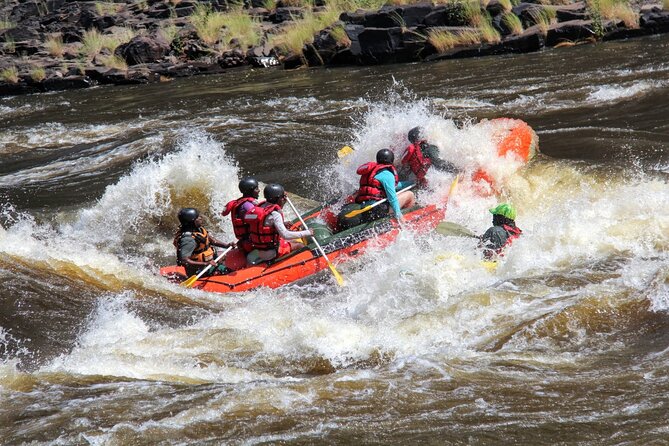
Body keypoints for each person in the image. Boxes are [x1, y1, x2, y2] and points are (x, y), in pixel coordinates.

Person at [244, 183, 314, 263]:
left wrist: (281, 224)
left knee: (294, 241)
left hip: (260, 248)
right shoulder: (275, 214)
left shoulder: (260, 208)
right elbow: (285, 235)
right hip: (270, 253)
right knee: (300, 245)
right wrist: (307, 232)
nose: (284, 200)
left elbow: (264, 223)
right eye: (283, 198)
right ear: (279, 199)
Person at [353, 148, 415, 223]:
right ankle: (407, 220)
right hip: (377, 210)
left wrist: (413, 182)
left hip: (365, 209)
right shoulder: (387, 174)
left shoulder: (369, 172)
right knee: (410, 194)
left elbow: (395, 186)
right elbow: (392, 198)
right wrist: (399, 215)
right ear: (391, 160)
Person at [174, 208, 235, 277]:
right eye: (198, 217)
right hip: (199, 270)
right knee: (227, 271)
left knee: (223, 256)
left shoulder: (198, 229)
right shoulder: (188, 240)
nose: (201, 218)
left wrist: (227, 245)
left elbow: (211, 240)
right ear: (192, 221)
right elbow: (184, 260)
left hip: (207, 263)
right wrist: (205, 263)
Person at [221, 176, 260, 254]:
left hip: (247, 241)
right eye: (256, 189)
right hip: (252, 243)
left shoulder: (242, 203)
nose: (259, 190)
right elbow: (256, 219)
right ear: (250, 191)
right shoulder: (247, 206)